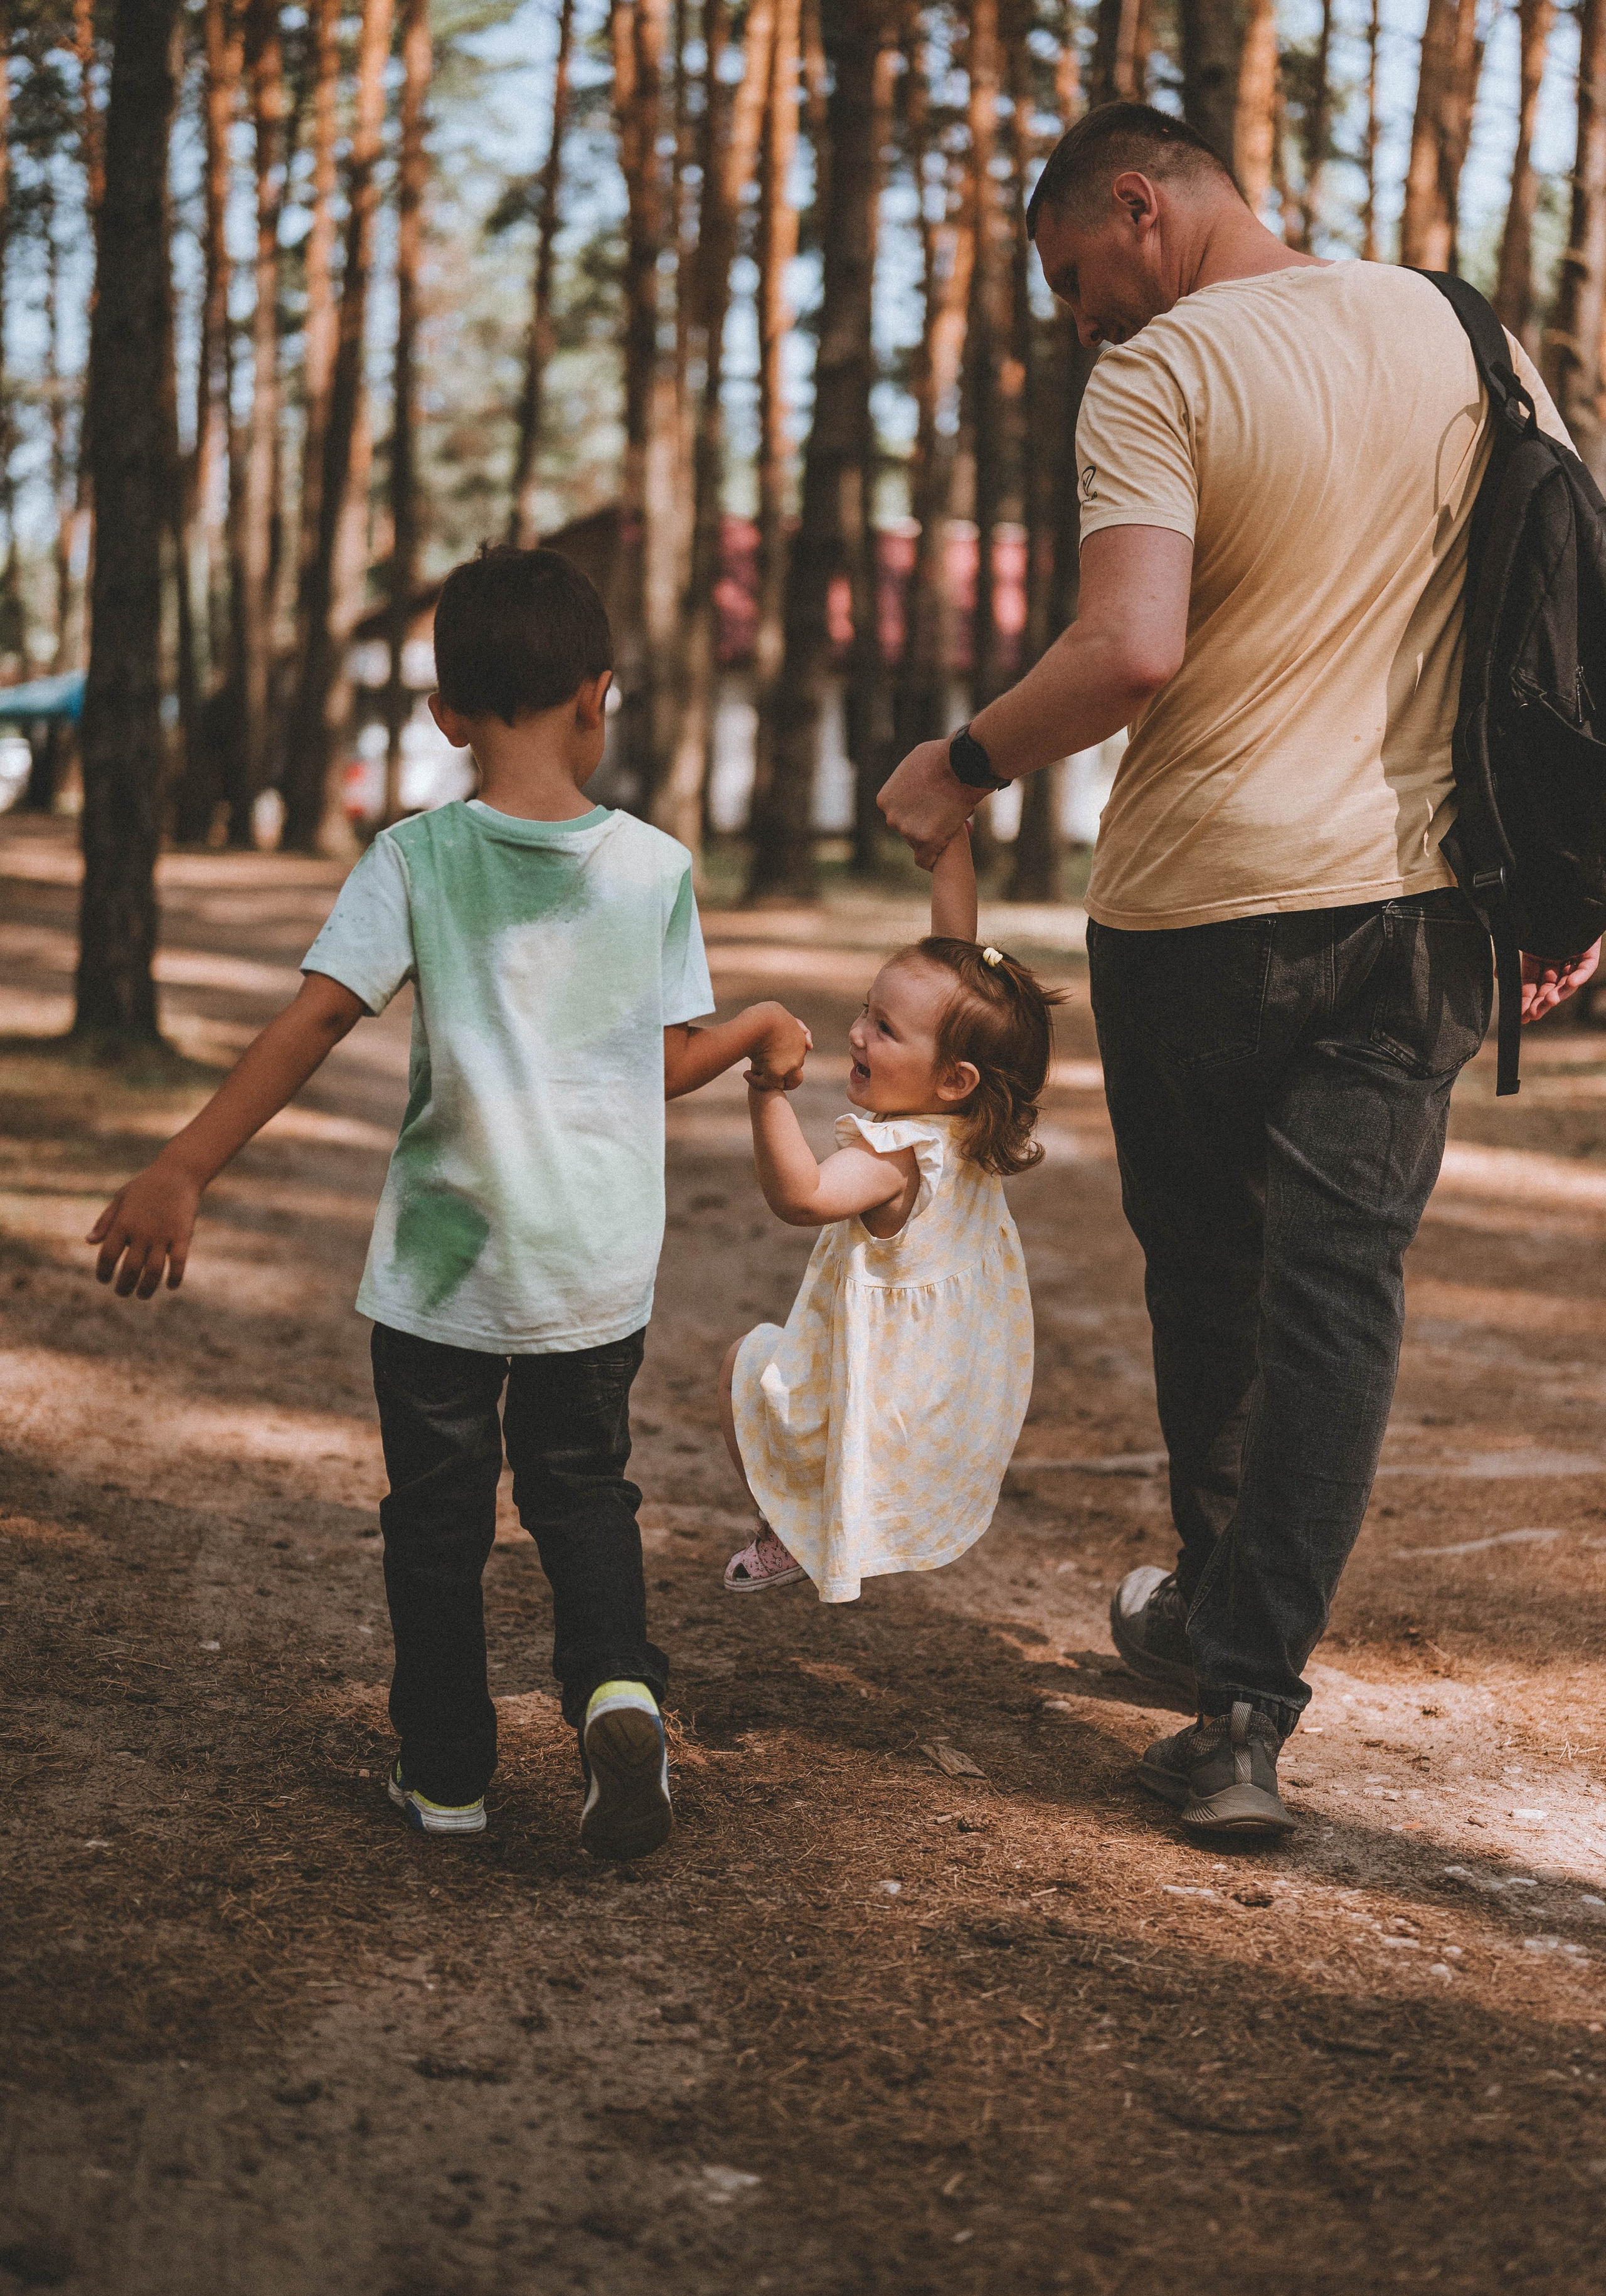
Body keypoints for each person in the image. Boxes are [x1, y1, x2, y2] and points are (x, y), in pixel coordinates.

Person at [876, 102, 1599, 1836]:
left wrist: (961, 762)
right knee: (1338, 1293)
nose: (1078, 321)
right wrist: (1577, 888)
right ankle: (1246, 1699)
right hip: (1428, 915)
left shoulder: (1163, 373)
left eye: (1072, 278)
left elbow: (1131, 646)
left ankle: (1218, 1621)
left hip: (1203, 911)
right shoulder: (1467, 328)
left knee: (1212, 1281)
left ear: (1143, 205)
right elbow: (1573, 617)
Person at [87, 543, 810, 1861]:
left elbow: (314, 1021)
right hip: (588, 1271)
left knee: (435, 1518)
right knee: (583, 1494)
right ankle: (617, 1689)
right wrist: (757, 1022)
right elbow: (659, 1066)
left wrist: (184, 1163)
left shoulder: (414, 858)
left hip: (440, 1273)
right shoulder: (652, 867)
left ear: (444, 715)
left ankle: (448, 1771)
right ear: (598, 697)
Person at [718, 820, 1059, 1606]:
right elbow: (954, 958)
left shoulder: (894, 1156)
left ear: (951, 1078)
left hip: (883, 1392)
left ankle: (791, 1530)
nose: (856, 1032)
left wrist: (766, 1092)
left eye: (882, 1027)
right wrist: (954, 849)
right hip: (943, 1395)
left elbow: (800, 1196)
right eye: (867, 1012)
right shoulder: (969, 1124)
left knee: (743, 1363)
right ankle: (800, 1527)